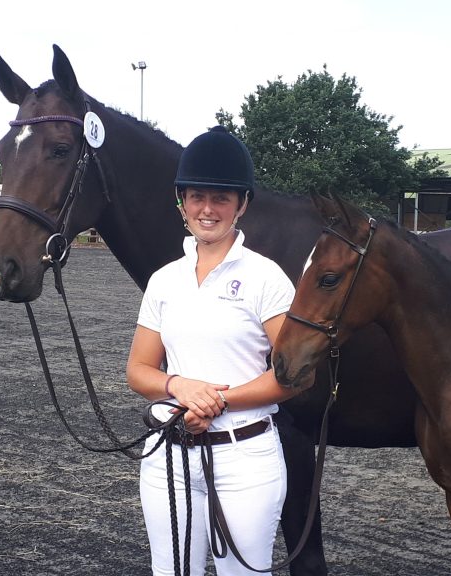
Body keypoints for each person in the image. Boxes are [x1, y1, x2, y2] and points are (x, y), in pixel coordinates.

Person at [126, 125, 299, 576]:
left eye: (221, 198)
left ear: (241, 204)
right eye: (197, 196)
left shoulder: (267, 278)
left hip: (244, 459)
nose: (208, 209)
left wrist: (217, 400)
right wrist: (179, 386)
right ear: (180, 201)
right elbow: (139, 370)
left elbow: (294, 375)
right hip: (168, 454)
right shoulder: (164, 280)